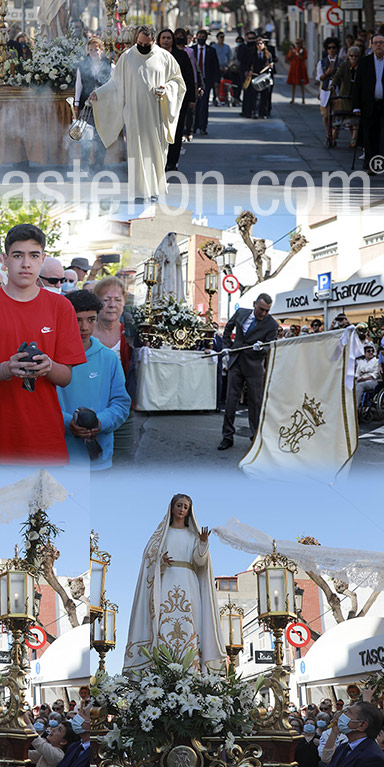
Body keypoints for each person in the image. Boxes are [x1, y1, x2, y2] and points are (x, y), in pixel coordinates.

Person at [0, 223, 85, 462]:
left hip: (44, 441)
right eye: (18, 255)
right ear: (6, 260)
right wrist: (7, 369)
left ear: (42, 259)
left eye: (33, 255)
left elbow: (66, 377)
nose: (26, 263)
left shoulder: (61, 307)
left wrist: (48, 366)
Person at [123, 493, 225, 674]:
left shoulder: (194, 536)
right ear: (171, 507)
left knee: (190, 624)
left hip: (189, 583)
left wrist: (202, 544)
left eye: (185, 507)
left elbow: (200, 563)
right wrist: (159, 561)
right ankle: (162, 668)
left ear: (189, 511)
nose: (182, 509)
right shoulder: (161, 535)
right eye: (179, 505)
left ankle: (191, 670)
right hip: (167, 581)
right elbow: (149, 561)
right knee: (164, 622)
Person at [91, 25, 186, 199]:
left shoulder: (165, 57)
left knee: (156, 152)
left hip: (156, 114)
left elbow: (178, 82)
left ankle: (155, 190)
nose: (142, 46)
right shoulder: (127, 57)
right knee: (137, 153)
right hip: (133, 114)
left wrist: (166, 88)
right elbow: (115, 83)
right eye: (139, 43)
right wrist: (99, 93)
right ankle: (138, 192)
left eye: (146, 44)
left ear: (153, 41)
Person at [58, 289, 130, 469]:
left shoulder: (108, 358)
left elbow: (121, 403)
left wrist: (100, 422)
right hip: (61, 459)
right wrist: (69, 422)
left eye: (91, 320)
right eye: (77, 320)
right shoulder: (52, 360)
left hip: (99, 461)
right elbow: (41, 406)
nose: (84, 327)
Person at [218, 293, 279, 450]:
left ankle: (255, 437)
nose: (264, 313)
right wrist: (226, 346)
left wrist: (262, 348)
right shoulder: (241, 313)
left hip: (254, 367)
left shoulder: (272, 324)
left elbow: (270, 345)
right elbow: (228, 329)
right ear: (254, 304)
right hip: (236, 362)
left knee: (255, 403)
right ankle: (227, 436)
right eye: (261, 309)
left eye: (267, 310)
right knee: (231, 402)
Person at [297, 701, 384, 767]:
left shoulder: (372, 758)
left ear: (361, 725)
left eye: (348, 712)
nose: (342, 715)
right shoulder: (343, 748)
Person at [158, 27, 196, 170]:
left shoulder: (181, 55)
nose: (166, 40)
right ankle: (160, 160)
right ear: (159, 40)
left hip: (178, 100)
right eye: (163, 38)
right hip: (158, 100)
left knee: (176, 130)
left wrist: (192, 98)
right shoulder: (153, 55)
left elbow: (189, 77)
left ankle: (172, 162)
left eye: (168, 38)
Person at [73, 36, 112, 172]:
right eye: (90, 50)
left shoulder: (109, 64)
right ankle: (84, 165)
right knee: (86, 136)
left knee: (101, 136)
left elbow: (112, 85)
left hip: (103, 105)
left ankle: (98, 164)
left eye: (96, 50)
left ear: (101, 50)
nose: (93, 53)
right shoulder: (82, 65)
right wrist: (77, 104)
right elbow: (79, 85)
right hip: (87, 105)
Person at [352, 31, 384, 174]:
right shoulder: (364, 62)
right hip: (369, 105)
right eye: (375, 43)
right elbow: (357, 86)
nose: (378, 45)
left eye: (381, 43)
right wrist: (356, 106)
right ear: (371, 46)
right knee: (370, 137)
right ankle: (372, 166)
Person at [190, 28, 220, 132]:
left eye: (203, 37)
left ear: (206, 38)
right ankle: (193, 126)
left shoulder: (211, 50)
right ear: (196, 38)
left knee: (204, 104)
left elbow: (216, 66)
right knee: (194, 104)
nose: (201, 39)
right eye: (199, 37)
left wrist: (216, 81)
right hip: (194, 80)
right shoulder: (191, 50)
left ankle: (203, 127)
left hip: (206, 80)